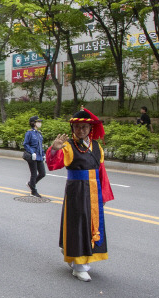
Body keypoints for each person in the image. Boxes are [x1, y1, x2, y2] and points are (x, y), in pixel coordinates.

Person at [46, 108, 114, 282]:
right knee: (78, 224)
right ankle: (79, 266)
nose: (81, 130)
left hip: (93, 190)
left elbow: (102, 172)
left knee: (92, 225)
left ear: (90, 128)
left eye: (84, 127)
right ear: (73, 128)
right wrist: (54, 150)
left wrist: (103, 195)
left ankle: (79, 258)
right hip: (77, 190)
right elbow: (54, 164)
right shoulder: (68, 146)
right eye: (77, 127)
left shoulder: (97, 146)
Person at [23, 115, 46, 198]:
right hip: (32, 156)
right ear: (33, 123)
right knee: (34, 174)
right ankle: (33, 191)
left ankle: (31, 184)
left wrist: (43, 154)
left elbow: (40, 145)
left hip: (39, 156)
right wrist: (32, 152)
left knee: (42, 173)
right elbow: (25, 144)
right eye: (38, 122)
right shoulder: (29, 133)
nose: (40, 123)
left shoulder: (39, 134)